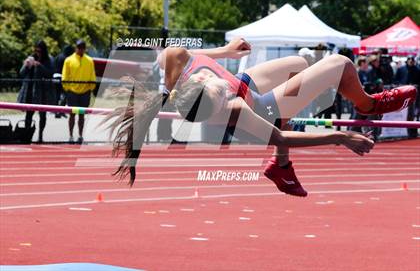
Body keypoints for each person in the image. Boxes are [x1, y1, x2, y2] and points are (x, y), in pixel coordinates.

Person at [105, 38, 417, 197]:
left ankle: (281, 168)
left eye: (220, 93)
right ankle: (368, 105)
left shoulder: (175, 62)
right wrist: (342, 136)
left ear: (197, 80)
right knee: (339, 63)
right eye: (223, 99)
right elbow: (280, 137)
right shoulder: (229, 108)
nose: (225, 97)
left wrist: (226, 51)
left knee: (300, 62)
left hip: (243, 81)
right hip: (259, 107)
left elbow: (194, 56)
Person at [17, 40, 55, 143]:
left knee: (42, 115)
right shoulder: (31, 57)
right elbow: (21, 73)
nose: (37, 52)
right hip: (30, 91)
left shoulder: (49, 59)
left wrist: (39, 65)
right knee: (29, 114)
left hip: (43, 91)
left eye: (40, 51)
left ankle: (40, 136)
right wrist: (26, 65)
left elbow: (50, 73)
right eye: (36, 50)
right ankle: (26, 135)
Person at [62, 39, 96, 144]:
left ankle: (80, 136)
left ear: (85, 49)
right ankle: (71, 136)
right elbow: (65, 75)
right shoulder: (68, 60)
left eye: (82, 47)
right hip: (72, 92)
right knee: (72, 114)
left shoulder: (89, 60)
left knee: (82, 115)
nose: (80, 49)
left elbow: (92, 75)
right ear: (76, 47)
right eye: (78, 47)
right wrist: (67, 88)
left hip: (85, 92)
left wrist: (90, 88)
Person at [54, 44, 75, 118]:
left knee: (57, 95)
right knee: (65, 95)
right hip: (62, 77)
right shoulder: (66, 58)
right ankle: (60, 110)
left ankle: (56, 110)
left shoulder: (57, 56)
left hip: (55, 77)